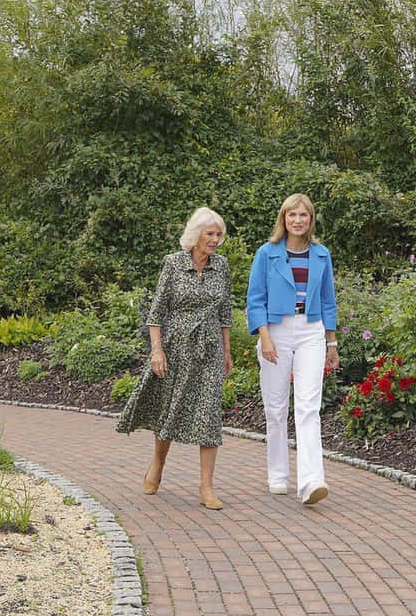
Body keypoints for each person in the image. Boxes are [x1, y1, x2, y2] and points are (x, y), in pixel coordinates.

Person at [116, 207, 232, 510]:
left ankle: (206, 487)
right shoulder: (173, 264)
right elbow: (157, 311)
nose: (216, 240)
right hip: (176, 346)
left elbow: (225, 313)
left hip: (209, 350)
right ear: (195, 235)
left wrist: (227, 352)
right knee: (169, 409)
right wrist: (157, 350)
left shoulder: (221, 266)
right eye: (210, 234)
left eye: (219, 234)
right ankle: (157, 462)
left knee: (209, 414)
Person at [246, 193, 339, 505]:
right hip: (276, 330)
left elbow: (328, 301)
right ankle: (278, 474)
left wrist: (332, 342)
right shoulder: (267, 253)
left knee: (308, 406)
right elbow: (255, 298)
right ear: (283, 219)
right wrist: (265, 336)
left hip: (311, 329)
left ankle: (312, 480)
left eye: (304, 215)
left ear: (311, 220)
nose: (298, 220)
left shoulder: (321, 254)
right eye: (292, 215)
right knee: (275, 408)